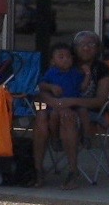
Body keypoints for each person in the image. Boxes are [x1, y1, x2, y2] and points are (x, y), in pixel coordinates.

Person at [32, 41, 86, 187]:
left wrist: (86, 75)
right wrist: (51, 87)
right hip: (46, 104)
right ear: (53, 61)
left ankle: (72, 170)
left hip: (70, 107)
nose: (66, 59)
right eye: (61, 57)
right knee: (41, 113)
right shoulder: (50, 73)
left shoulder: (76, 73)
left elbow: (83, 89)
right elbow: (40, 87)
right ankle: (38, 169)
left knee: (64, 115)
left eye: (68, 57)